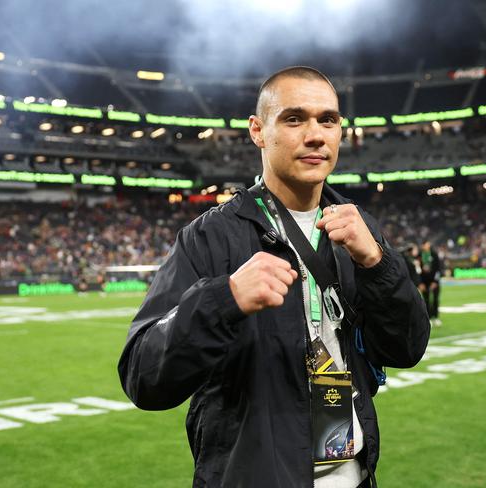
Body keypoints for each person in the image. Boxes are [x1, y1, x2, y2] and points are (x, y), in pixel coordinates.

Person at [118, 66, 430, 488]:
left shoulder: (359, 227)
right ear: (258, 130)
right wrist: (223, 300)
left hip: (355, 475)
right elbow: (143, 377)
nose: (316, 134)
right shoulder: (210, 238)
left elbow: (407, 347)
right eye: (294, 118)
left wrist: (377, 263)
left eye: (328, 120)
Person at [420, 241, 442, 326]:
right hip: (424, 281)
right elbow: (418, 271)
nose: (425, 246)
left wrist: (435, 281)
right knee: (426, 300)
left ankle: (436, 317)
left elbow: (438, 269)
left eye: (425, 244)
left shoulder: (434, 254)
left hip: (434, 281)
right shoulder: (420, 255)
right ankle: (428, 318)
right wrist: (420, 283)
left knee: (435, 299)